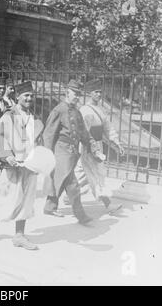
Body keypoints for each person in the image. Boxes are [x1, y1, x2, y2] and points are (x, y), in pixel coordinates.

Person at [0, 81, 43, 250]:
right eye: (26, 96)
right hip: (13, 166)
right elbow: (0, 138)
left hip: (30, 166)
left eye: (32, 96)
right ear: (18, 97)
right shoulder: (9, 116)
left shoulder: (34, 117)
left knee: (27, 200)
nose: (29, 98)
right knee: (7, 198)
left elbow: (37, 140)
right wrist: (8, 156)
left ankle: (19, 236)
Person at [42, 80, 101, 225]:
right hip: (61, 150)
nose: (77, 97)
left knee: (62, 178)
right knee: (72, 183)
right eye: (75, 94)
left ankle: (50, 206)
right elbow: (48, 134)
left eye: (79, 95)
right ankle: (81, 216)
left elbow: (83, 132)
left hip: (72, 152)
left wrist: (91, 145)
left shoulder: (76, 111)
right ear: (67, 93)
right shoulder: (58, 110)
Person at [68, 87, 125, 214]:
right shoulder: (85, 110)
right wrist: (92, 148)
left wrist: (116, 142)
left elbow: (108, 127)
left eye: (100, 92)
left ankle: (65, 195)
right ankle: (108, 204)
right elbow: (84, 132)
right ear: (90, 93)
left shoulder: (100, 109)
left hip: (98, 144)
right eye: (96, 92)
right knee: (96, 174)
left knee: (82, 174)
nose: (99, 94)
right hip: (88, 146)